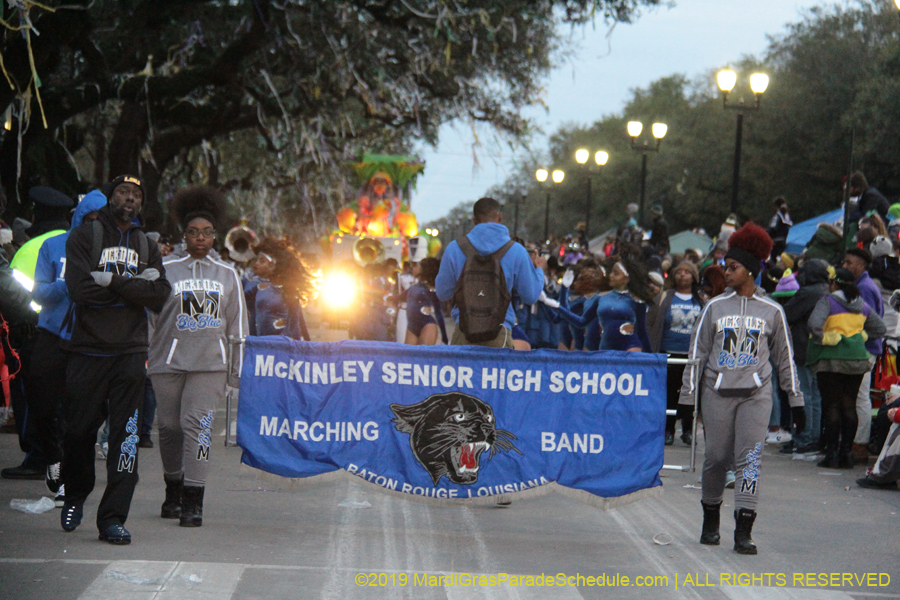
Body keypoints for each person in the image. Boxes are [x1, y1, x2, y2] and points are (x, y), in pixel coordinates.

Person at [59, 175, 171, 545]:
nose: (130, 198)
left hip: (130, 352)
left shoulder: (145, 243)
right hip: (88, 350)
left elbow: (159, 296)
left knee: (125, 439)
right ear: (110, 198)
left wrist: (112, 282)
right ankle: (76, 492)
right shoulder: (84, 237)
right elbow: (79, 290)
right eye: (123, 192)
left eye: (137, 195)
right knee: (77, 431)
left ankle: (112, 518)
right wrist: (135, 286)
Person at [679, 222, 804, 555]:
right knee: (716, 458)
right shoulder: (714, 308)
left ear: (750, 270)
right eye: (725, 266)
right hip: (717, 392)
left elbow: (785, 358)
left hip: (756, 395)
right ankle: (710, 520)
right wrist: (687, 399)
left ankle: (744, 530)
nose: (726, 271)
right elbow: (697, 354)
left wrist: (796, 399)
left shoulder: (772, 311)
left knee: (749, 459)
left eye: (732, 267)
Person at [148, 185, 248, 527]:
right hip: (167, 362)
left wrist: (235, 374)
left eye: (206, 233)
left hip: (210, 364)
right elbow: (149, 319)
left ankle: (194, 499)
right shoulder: (165, 268)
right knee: (170, 427)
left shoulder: (228, 274)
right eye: (193, 233)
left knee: (200, 428)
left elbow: (238, 328)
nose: (200, 239)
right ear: (184, 235)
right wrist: (145, 357)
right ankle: (172, 488)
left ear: (215, 236)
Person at [6, 191, 107, 505]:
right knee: (45, 406)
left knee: (81, 413)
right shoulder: (53, 246)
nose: (93, 227)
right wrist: (69, 283)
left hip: (90, 340)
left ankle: (70, 477)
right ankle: (53, 459)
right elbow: (39, 292)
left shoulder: (111, 251)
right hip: (50, 336)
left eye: (99, 222)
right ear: (78, 217)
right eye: (89, 220)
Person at [435, 197, 544, 348]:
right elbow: (530, 296)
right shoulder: (516, 250)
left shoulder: (455, 248)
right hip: (500, 332)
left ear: (474, 220)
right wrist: (539, 271)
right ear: (500, 216)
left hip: (463, 330)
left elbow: (442, 293)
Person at [807, 267, 885, 469]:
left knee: (832, 405)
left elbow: (814, 324)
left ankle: (832, 454)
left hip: (831, 360)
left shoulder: (828, 302)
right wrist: (861, 337)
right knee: (849, 405)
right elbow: (880, 328)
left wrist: (824, 338)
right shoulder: (862, 305)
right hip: (857, 360)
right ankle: (847, 454)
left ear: (834, 283)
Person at [648, 261, 703, 445]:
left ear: (694, 276)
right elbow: (652, 322)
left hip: (692, 355)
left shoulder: (701, 300)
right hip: (668, 352)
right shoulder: (665, 297)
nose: (683, 275)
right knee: (669, 393)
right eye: (679, 272)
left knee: (690, 393)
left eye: (687, 272)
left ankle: (688, 430)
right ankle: (668, 430)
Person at [781, 259, 831, 454]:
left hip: (803, 347)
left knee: (803, 394)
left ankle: (803, 437)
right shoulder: (826, 290)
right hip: (821, 347)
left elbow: (786, 314)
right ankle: (814, 436)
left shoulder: (807, 293)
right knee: (816, 395)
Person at [555, 256, 653, 352]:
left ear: (626, 279)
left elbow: (642, 332)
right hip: (605, 348)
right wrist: (559, 306)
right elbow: (581, 322)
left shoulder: (636, 300)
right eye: (611, 272)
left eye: (616, 273)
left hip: (630, 347)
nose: (611, 276)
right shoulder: (600, 298)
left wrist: (651, 358)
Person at [842, 247, 884, 464]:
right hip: (867, 347)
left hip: (864, 348)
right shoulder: (866, 285)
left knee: (859, 396)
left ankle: (860, 444)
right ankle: (858, 442)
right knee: (859, 395)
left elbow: (866, 320)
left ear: (860, 265)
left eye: (849, 263)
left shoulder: (864, 288)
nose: (845, 266)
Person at [244, 239, 313, 340]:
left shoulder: (289, 293)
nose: (256, 264)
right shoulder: (254, 286)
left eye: (262, 261)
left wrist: (302, 348)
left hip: (279, 348)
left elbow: (296, 325)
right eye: (257, 260)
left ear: (274, 266)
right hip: (257, 347)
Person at [404, 257, 447, 346]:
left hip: (427, 325)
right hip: (412, 327)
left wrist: (444, 337)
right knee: (408, 358)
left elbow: (439, 313)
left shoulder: (430, 289)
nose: (413, 268)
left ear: (423, 270)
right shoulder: (414, 287)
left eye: (417, 266)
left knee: (422, 357)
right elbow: (399, 297)